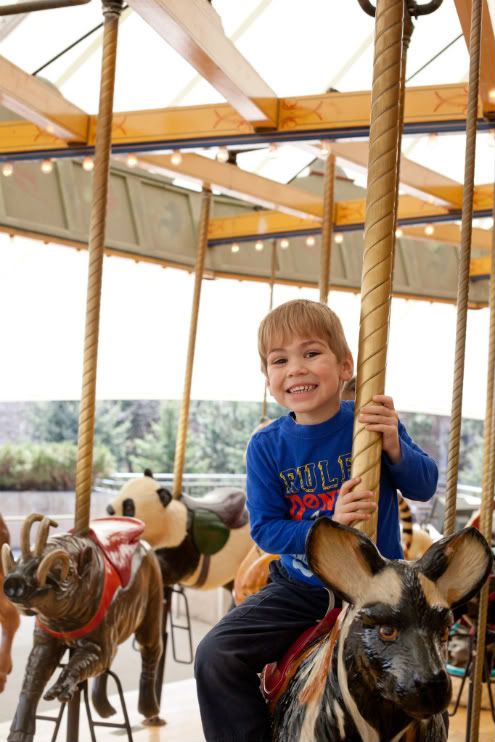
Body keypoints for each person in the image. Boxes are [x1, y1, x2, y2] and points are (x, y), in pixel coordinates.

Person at [195, 299, 438, 742]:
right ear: (267, 377)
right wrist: (327, 526)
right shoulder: (266, 446)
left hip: (378, 587)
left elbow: (424, 485)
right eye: (279, 360)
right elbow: (266, 528)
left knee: (421, 671)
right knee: (215, 654)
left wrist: (394, 446)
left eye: (311, 354)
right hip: (302, 589)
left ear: (345, 365)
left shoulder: (369, 421)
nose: (296, 369)